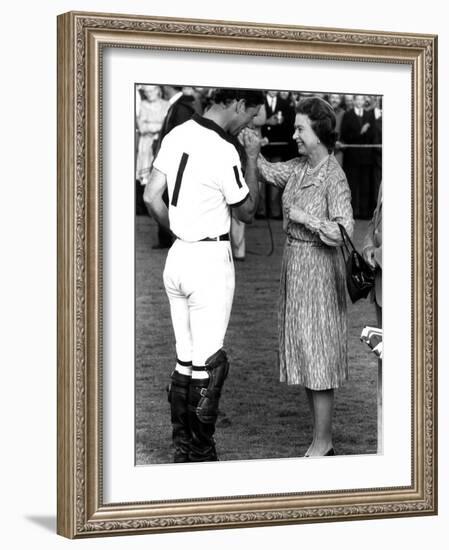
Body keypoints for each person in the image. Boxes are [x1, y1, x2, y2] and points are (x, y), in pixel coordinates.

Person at [144, 88, 264, 462]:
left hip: (178, 256)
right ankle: (199, 450)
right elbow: (246, 212)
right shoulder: (224, 148)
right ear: (238, 104)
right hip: (209, 256)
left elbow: (151, 196)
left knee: (185, 358)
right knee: (209, 363)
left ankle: (184, 448)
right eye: (251, 115)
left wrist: (178, 230)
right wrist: (253, 157)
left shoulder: (176, 132)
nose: (250, 124)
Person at [256, 96, 354, 457]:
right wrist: (252, 148)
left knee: (320, 357)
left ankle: (324, 442)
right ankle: (319, 440)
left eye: (300, 128)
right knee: (306, 354)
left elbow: (343, 232)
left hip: (319, 273)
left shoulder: (334, 177)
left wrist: (304, 218)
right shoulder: (298, 168)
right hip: (295, 269)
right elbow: (267, 171)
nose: (294, 134)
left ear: (319, 133)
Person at [151, 85, 197, 249]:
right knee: (164, 198)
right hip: (172, 164)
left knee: (167, 199)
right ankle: (167, 238)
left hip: (176, 167)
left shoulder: (182, 107)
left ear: (168, 87)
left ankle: (176, 236)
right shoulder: (179, 105)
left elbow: (181, 141)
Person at [340, 94, 376, 219]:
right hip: (352, 157)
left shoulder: (369, 115)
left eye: (362, 99)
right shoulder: (348, 115)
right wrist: (360, 132)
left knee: (365, 185)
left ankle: (364, 212)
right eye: (358, 99)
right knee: (352, 185)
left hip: (366, 157)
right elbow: (345, 135)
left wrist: (366, 132)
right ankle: (353, 212)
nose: (360, 101)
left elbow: (372, 134)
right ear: (354, 101)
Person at [135, 85, 168, 214]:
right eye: (146, 92)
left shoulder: (166, 104)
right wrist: (157, 126)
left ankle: (158, 205)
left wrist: (151, 125)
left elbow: (166, 126)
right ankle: (146, 208)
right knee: (145, 174)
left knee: (158, 172)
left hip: (160, 143)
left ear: (158, 90)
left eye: (151, 91)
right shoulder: (142, 105)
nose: (149, 94)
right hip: (146, 144)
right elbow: (142, 127)